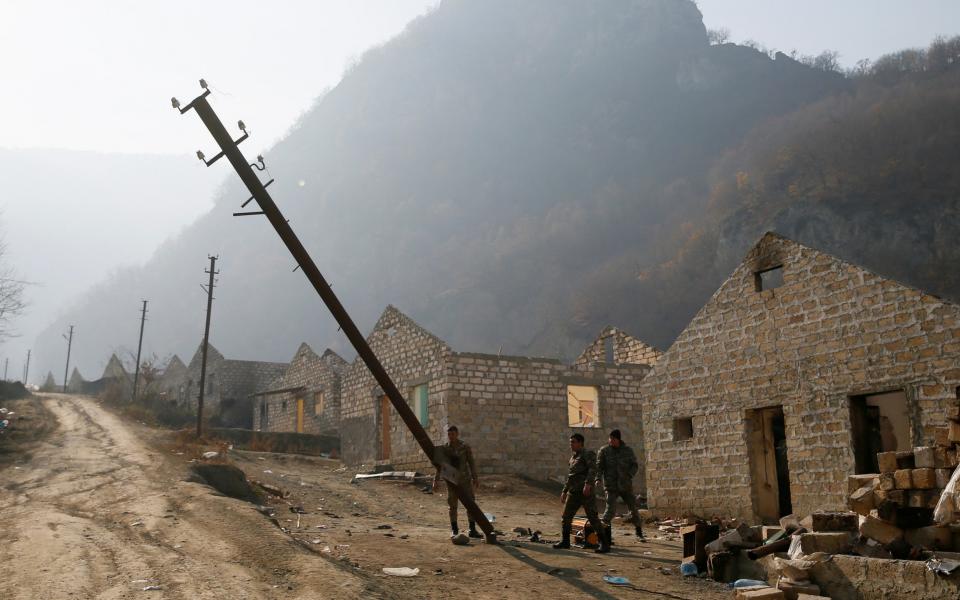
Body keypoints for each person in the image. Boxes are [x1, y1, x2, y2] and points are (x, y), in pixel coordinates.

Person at [554, 433, 609, 553]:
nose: (571, 444)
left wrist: (588, 484)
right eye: (570, 442)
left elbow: (593, 469)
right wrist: (564, 491)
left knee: (592, 517)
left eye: (573, 442)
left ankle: (604, 544)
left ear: (580, 443)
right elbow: (571, 476)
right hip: (573, 492)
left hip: (585, 493)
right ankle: (565, 542)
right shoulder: (573, 458)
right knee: (566, 517)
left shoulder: (588, 454)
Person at [596, 429, 644, 545]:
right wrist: (597, 478)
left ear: (618, 439)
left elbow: (634, 465)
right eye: (610, 438)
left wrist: (629, 475)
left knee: (633, 509)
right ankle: (605, 536)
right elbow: (599, 466)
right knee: (610, 510)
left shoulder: (627, 451)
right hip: (611, 485)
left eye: (613, 439)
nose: (611, 441)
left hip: (625, 485)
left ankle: (639, 531)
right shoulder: (604, 451)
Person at [432, 425, 481, 538]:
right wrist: (436, 480)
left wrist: (475, 478)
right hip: (452, 480)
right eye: (449, 434)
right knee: (452, 505)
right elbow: (440, 466)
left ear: (457, 434)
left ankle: (472, 529)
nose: (451, 437)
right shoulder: (445, 448)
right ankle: (454, 529)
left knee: (470, 503)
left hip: (465, 480)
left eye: (453, 434)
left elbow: (471, 463)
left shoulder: (465, 447)